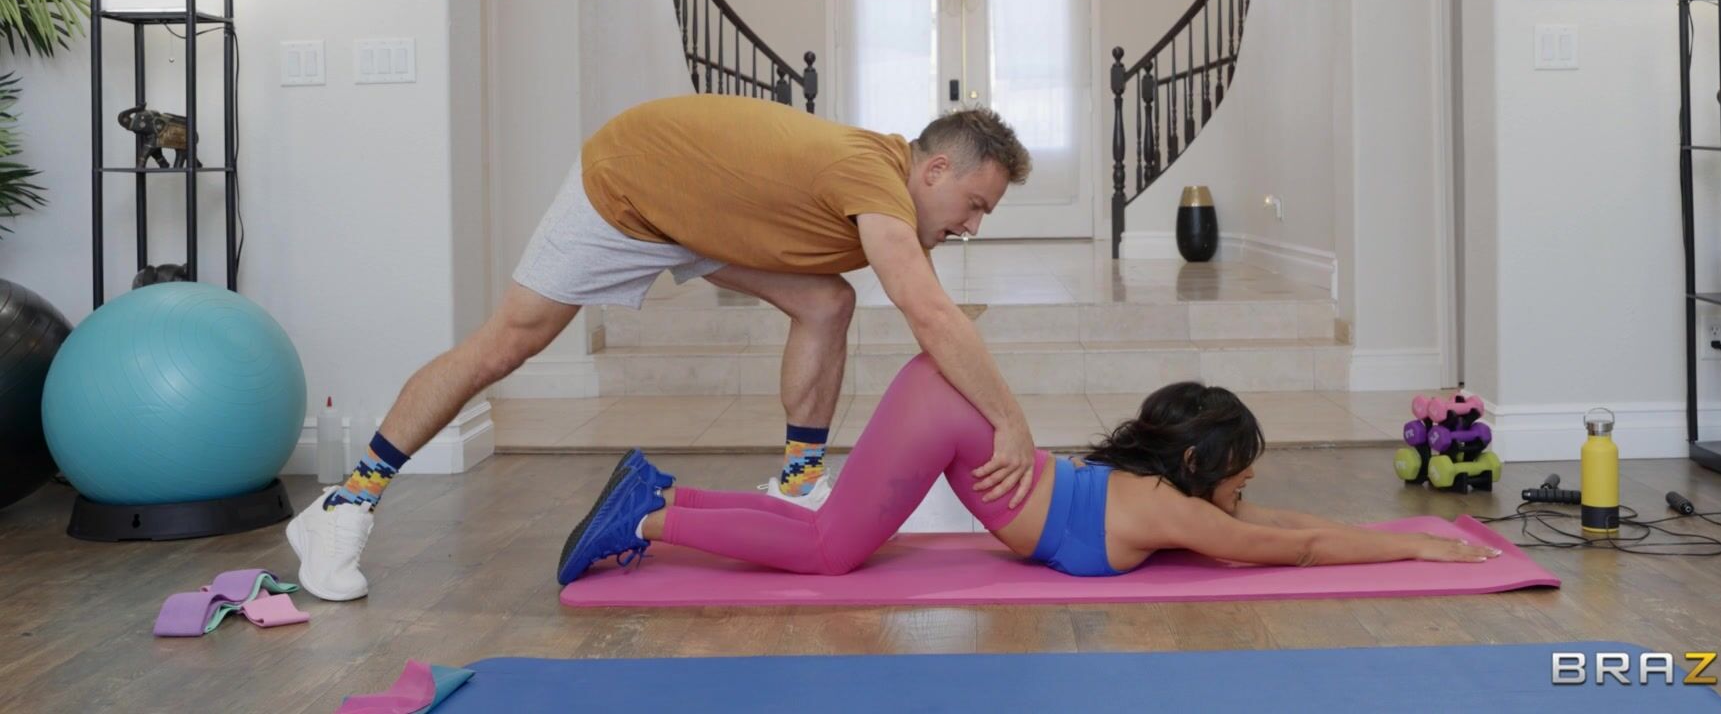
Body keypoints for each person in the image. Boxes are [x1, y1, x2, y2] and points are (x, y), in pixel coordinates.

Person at [289, 94, 1039, 601]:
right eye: (974, 204)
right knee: (508, 344)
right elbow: (929, 315)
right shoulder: (871, 178)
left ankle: (798, 482)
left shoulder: (890, 187)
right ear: (934, 170)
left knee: (825, 301)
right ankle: (346, 502)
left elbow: (930, 313)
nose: (973, 225)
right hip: (627, 186)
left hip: (693, 207)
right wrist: (1009, 422)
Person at [555, 355, 1501, 585]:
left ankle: (666, 492)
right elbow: (1293, 550)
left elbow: (1277, 524)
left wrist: (1391, 534)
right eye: (1239, 474)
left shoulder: (1168, 497)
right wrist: (1415, 551)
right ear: (1196, 462)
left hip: (946, 408)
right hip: (948, 416)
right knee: (831, 548)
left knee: (825, 527)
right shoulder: (1179, 512)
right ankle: (644, 520)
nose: (1245, 490)